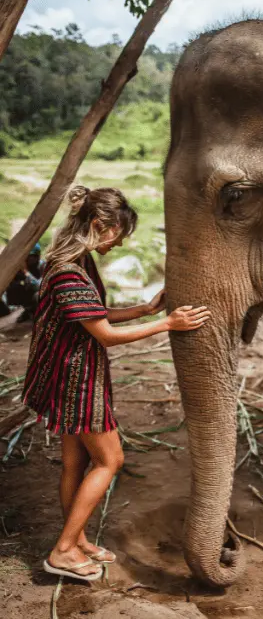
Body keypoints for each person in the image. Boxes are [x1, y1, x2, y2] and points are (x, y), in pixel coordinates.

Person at [21, 186, 210, 582]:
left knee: (77, 461)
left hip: (66, 374)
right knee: (111, 460)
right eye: (117, 235)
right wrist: (166, 324)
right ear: (98, 225)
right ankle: (62, 552)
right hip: (76, 381)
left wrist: (143, 309)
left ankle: (77, 540)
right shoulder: (69, 272)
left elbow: (93, 315)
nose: (119, 243)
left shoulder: (75, 259)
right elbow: (103, 334)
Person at [4, 243, 45, 322]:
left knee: (37, 295)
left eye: (29, 256)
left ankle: (37, 314)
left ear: (37, 257)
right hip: (28, 294)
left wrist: (26, 272)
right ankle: (28, 309)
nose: (26, 258)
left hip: (41, 296)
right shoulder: (21, 266)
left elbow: (40, 287)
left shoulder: (43, 266)